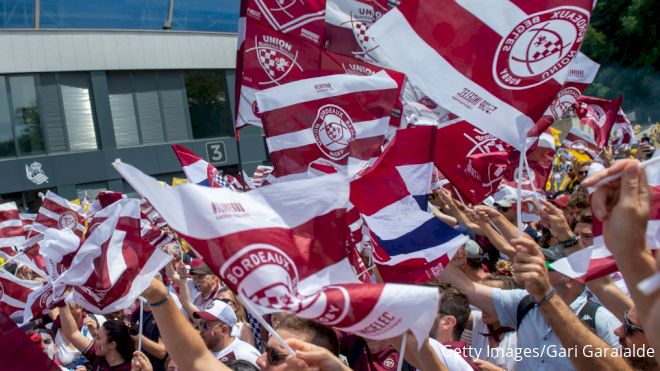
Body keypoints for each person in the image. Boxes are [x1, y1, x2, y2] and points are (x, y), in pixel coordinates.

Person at [57, 302, 135, 370]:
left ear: (112, 344)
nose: (93, 340)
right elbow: (73, 333)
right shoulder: (99, 356)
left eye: (98, 337)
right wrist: (61, 302)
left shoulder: (130, 368)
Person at [193, 299, 260, 365]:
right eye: (201, 324)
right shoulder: (203, 353)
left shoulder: (244, 355)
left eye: (206, 326)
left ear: (223, 330)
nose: (201, 330)